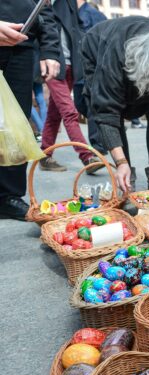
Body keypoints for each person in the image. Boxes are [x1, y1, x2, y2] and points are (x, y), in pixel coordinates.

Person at [81, 16, 149, 192]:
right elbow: (106, 113)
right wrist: (120, 162)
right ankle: (126, 178)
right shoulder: (116, 57)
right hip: (99, 47)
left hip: (141, 53)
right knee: (116, 115)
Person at [0, 2, 60, 221]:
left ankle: (9, 196)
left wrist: (50, 50)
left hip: (22, 46)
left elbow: (44, 7)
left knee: (16, 123)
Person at [39, 0, 95, 172]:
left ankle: (44, 155)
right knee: (69, 112)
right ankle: (87, 157)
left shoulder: (68, 5)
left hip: (71, 66)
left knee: (54, 114)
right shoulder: (42, 6)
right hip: (52, 65)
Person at [74, 0, 107, 165]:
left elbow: (107, 39)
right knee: (80, 104)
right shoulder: (70, 14)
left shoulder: (95, 14)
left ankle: (99, 146)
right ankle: (104, 133)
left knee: (92, 106)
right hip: (77, 70)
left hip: (92, 70)